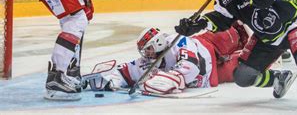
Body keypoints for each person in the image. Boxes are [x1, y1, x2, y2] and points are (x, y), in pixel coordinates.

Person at [84, 26, 248, 94]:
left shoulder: (178, 42)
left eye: (148, 48)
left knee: (232, 31)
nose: (146, 53)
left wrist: (174, 78)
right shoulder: (149, 61)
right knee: (246, 67)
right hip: (213, 75)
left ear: (158, 43)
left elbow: (191, 66)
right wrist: (110, 80)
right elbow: (127, 71)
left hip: (207, 45)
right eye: (144, 50)